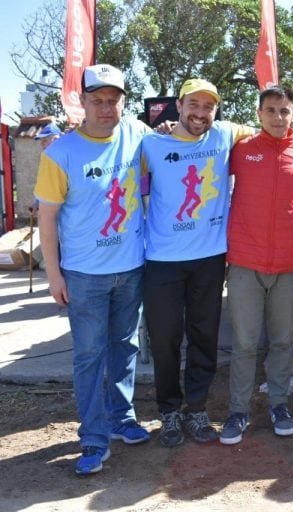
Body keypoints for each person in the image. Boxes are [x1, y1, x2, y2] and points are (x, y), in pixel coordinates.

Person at [34, 64, 150, 475]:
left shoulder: (138, 135)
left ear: (123, 102)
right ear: (81, 102)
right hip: (84, 275)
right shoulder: (60, 153)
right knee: (88, 355)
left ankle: (122, 419)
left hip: (132, 268)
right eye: (97, 100)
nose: (105, 108)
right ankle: (94, 438)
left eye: (113, 100)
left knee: (127, 347)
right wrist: (54, 275)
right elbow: (47, 219)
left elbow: (189, 144)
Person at [140, 79, 253, 447]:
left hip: (209, 257)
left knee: (204, 336)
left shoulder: (225, 134)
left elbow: (274, 131)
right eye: (193, 105)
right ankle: (169, 412)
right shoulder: (152, 143)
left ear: (216, 110)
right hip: (162, 259)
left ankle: (197, 410)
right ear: (179, 105)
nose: (200, 113)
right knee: (165, 338)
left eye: (208, 107)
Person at [220, 85, 293, 443]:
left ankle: (279, 404)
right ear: (260, 114)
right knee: (245, 343)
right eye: (272, 110)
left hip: (287, 263)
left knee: (281, 341)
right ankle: (238, 411)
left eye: (285, 111)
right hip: (246, 261)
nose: (279, 117)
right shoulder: (241, 149)